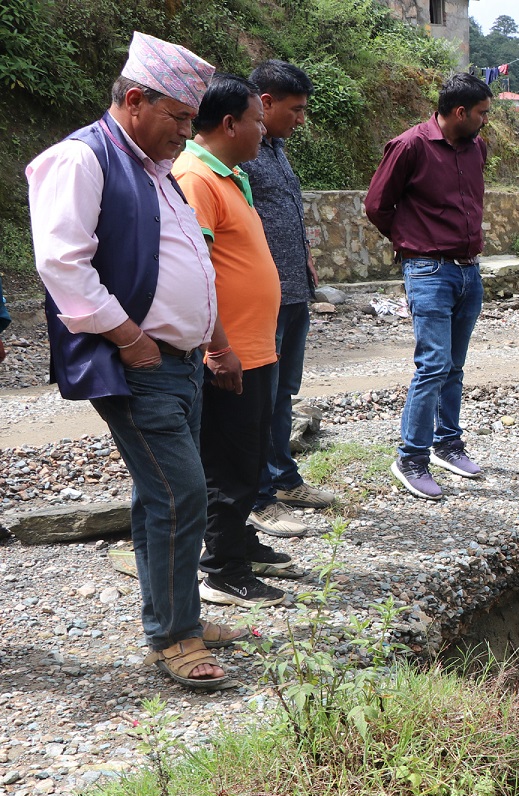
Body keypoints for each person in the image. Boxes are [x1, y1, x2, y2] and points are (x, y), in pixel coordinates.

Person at [27, 32, 245, 690]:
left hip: (180, 362)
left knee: (162, 496)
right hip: (138, 363)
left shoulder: (155, 170)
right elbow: (61, 263)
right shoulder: (81, 159)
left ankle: (179, 616)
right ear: (134, 100)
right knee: (178, 491)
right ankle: (175, 637)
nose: (186, 131)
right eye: (178, 118)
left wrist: (214, 340)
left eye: (190, 119)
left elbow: (189, 265)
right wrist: (128, 337)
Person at [172, 73, 288, 609]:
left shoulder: (229, 175)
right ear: (229, 123)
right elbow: (195, 271)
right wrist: (219, 348)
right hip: (229, 350)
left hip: (254, 346)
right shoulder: (195, 176)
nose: (263, 131)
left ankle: (239, 542)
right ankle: (223, 568)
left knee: (249, 453)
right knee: (229, 462)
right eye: (258, 121)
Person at [365, 73, 492, 501]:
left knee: (454, 365)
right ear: (460, 112)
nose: (485, 121)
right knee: (434, 364)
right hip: (428, 270)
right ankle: (411, 457)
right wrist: (413, 241)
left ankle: (447, 445)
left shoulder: (476, 147)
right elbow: (377, 205)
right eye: (482, 113)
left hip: (468, 271)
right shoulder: (410, 145)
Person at [243, 59, 336, 541]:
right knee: (258, 398)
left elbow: (283, 213)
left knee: (282, 394)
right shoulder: (239, 151)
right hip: (261, 299)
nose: (302, 120)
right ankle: (258, 498)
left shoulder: (275, 148)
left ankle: (284, 480)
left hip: (293, 290)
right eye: (295, 110)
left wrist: (304, 256)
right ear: (265, 102)